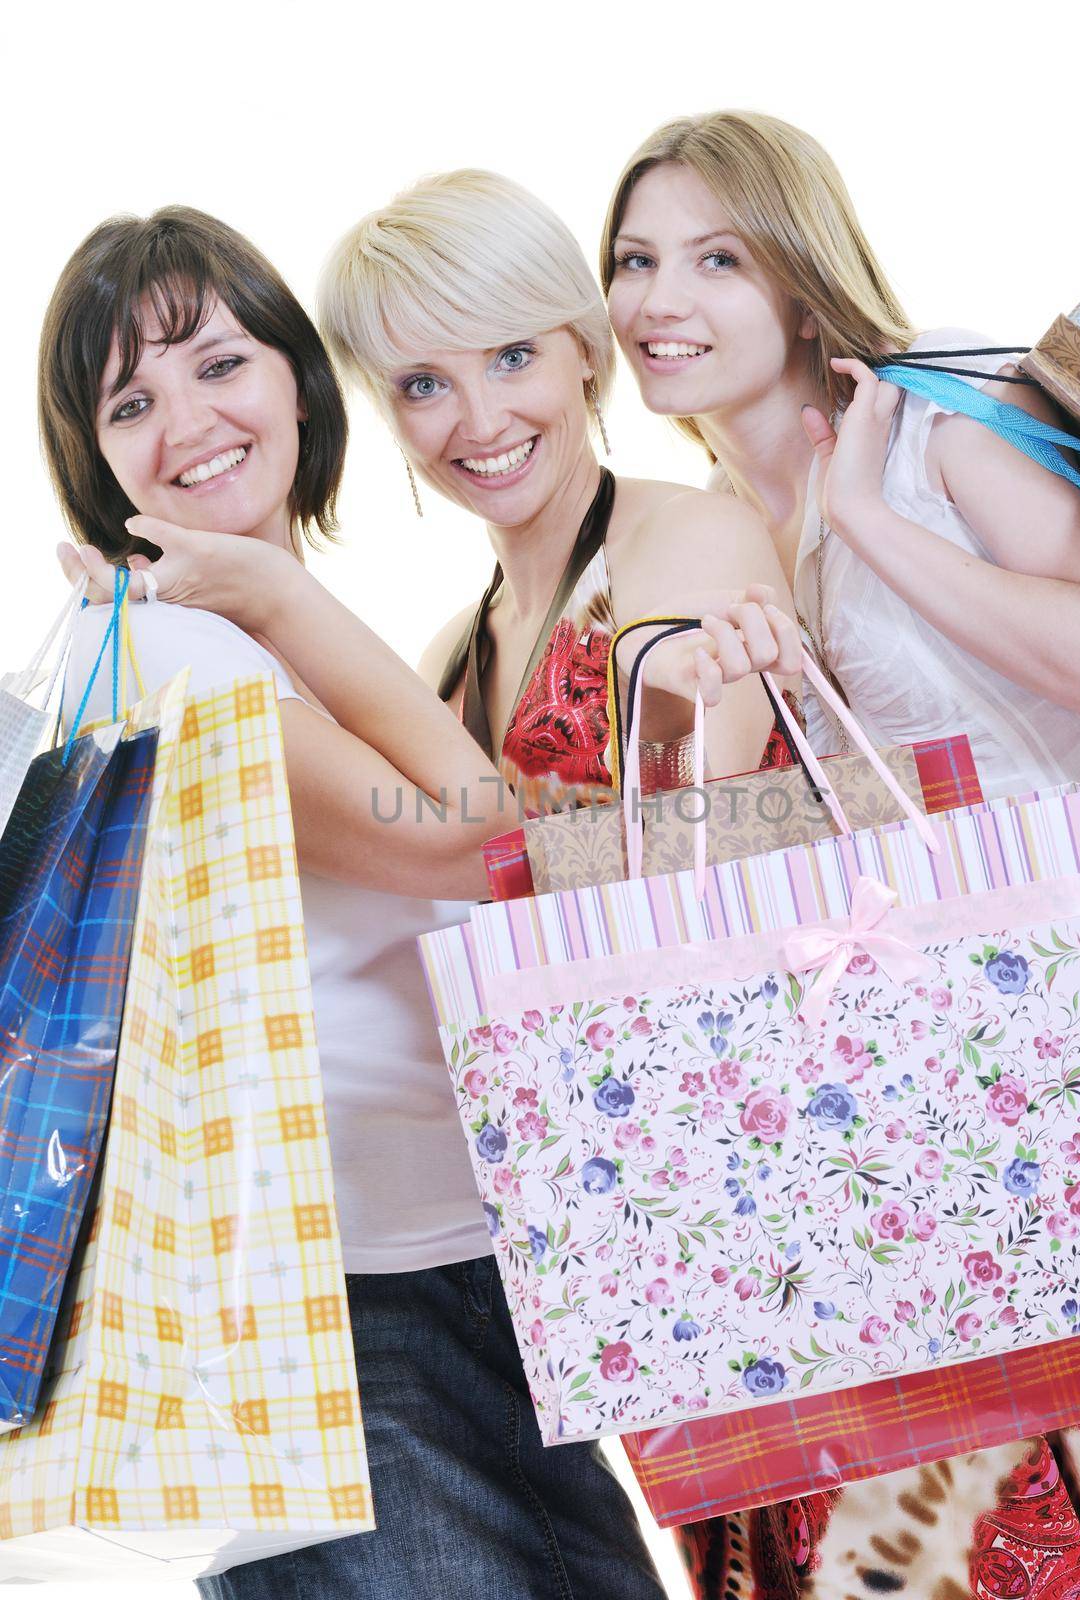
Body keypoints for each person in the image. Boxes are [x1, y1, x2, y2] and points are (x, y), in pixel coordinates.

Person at [49, 203, 797, 1600]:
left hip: (464, 1271)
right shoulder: (181, 653)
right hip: (348, 1304)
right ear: (95, 460)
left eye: (222, 365)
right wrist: (278, 599)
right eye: (130, 401)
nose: (191, 421)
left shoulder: (310, 641)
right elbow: (482, 848)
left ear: (293, 380)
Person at [599, 109, 1080, 1599]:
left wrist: (862, 506)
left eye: (716, 257)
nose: (664, 299)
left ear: (800, 277)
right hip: (1034, 1085)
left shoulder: (938, 413)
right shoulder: (730, 533)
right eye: (636, 260)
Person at [316, 169, 807, 820]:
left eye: (512, 356)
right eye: (424, 384)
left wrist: (636, 686)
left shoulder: (694, 538)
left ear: (581, 346)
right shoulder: (447, 659)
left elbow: (728, 832)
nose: (484, 422)